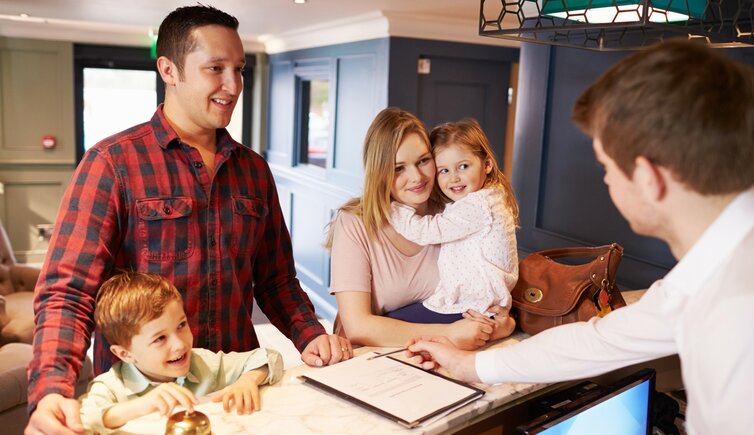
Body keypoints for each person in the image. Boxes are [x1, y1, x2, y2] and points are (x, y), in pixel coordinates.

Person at [26, 5, 351, 434]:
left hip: (238, 395)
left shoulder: (253, 170)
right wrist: (52, 388)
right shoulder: (111, 163)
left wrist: (311, 334)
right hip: (145, 407)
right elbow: (68, 292)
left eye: (239, 69)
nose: (232, 85)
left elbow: (276, 279)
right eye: (215, 68)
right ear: (169, 70)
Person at [406, 41, 754, 435]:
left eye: (606, 166)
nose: (605, 180)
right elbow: (600, 342)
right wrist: (470, 365)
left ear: (647, 178)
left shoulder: (737, 309)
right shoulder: (708, 275)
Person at [326, 107, 513, 351]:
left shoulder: (452, 211)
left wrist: (498, 324)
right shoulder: (355, 223)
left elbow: (486, 286)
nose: (417, 177)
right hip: (374, 357)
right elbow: (358, 327)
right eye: (398, 168)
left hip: (443, 355)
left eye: (423, 161)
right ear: (379, 173)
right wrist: (447, 334)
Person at [79, 272, 283, 434]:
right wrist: (143, 405)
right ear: (125, 354)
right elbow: (84, 421)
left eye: (181, 325)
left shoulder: (202, 363)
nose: (180, 344)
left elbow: (269, 357)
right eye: (160, 338)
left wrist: (247, 381)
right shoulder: (111, 387)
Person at [389, 118, 519, 328]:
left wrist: (390, 207)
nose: (454, 178)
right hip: (478, 304)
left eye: (463, 166)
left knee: (391, 323)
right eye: (444, 171)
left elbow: (428, 231)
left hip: (472, 304)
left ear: (486, 164)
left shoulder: (479, 205)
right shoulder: (488, 197)